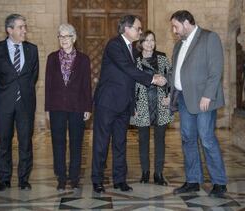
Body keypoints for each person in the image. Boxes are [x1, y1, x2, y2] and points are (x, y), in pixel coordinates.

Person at [91, 14, 167, 193]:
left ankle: (119, 180)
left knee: (120, 143)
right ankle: (97, 180)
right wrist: (153, 79)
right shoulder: (114, 45)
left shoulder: (133, 50)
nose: (140, 32)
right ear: (127, 29)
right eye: (137, 29)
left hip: (124, 104)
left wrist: (133, 106)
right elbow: (129, 69)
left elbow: (131, 80)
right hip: (107, 103)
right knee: (101, 143)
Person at [170, 10, 228, 197]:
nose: (174, 30)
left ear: (186, 23)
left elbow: (216, 69)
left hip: (203, 100)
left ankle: (219, 182)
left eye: (176, 26)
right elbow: (176, 72)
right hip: (185, 99)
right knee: (188, 139)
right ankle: (193, 180)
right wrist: (170, 92)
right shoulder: (179, 45)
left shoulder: (209, 38)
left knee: (206, 138)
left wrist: (208, 95)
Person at [0, 14, 39, 192]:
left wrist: (21, 90)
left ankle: (24, 179)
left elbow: (33, 76)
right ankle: (4, 179)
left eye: (25, 26)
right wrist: (7, 91)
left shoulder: (32, 49)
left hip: (25, 103)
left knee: (26, 142)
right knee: (4, 141)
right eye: (20, 27)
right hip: (4, 104)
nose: (24, 30)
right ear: (9, 30)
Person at [45, 23, 92, 191]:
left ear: (74, 38)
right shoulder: (51, 58)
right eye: (60, 36)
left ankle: (74, 177)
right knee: (58, 142)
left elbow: (87, 84)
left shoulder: (83, 59)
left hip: (77, 106)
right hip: (56, 106)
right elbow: (48, 85)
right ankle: (61, 177)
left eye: (67, 36)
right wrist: (47, 108)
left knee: (76, 143)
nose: (63, 39)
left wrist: (88, 107)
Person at [130, 30, 173, 186]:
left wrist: (170, 97)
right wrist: (131, 105)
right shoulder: (135, 61)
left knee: (160, 140)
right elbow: (131, 85)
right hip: (142, 104)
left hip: (161, 104)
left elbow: (172, 79)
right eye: (146, 40)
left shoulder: (162, 59)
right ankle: (145, 172)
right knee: (143, 141)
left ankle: (159, 173)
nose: (150, 43)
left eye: (152, 40)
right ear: (141, 43)